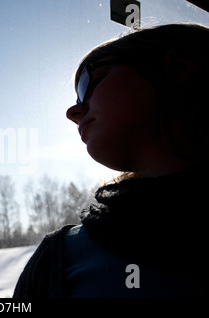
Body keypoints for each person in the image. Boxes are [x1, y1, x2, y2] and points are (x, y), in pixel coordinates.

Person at [13, 23, 209, 298]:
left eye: (88, 84)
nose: (74, 111)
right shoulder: (56, 260)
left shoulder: (63, 259)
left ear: (179, 65)